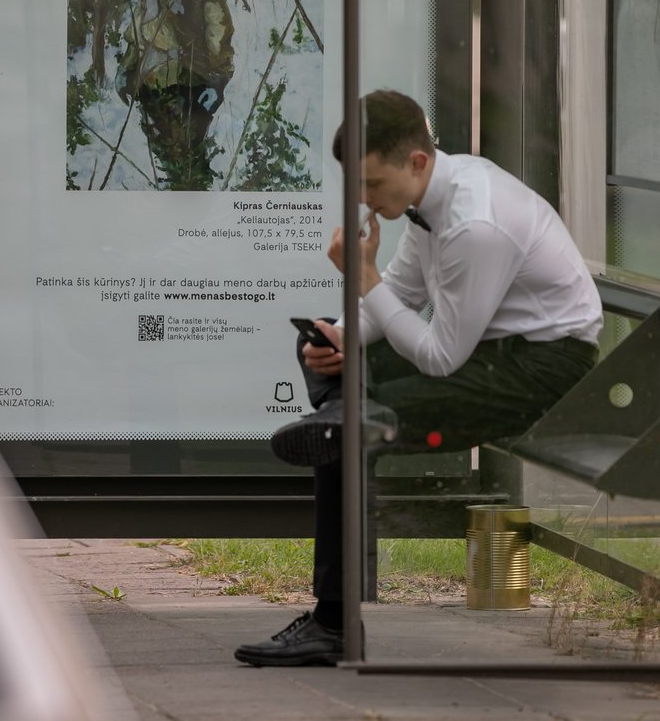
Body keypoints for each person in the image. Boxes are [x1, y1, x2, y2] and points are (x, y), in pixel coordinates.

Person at [233, 89, 603, 667]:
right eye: (356, 185)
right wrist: (338, 335)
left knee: (348, 430)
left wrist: (365, 280)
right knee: (325, 350)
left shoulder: (473, 224)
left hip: (545, 369)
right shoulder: (430, 203)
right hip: (490, 353)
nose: (364, 199)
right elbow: (403, 296)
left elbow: (439, 357)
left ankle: (331, 614)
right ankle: (342, 417)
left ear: (417, 162)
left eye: (372, 184)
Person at [116, 0, 235, 190]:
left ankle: (195, 200)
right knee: (163, 152)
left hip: (192, 86)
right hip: (152, 87)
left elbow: (220, 39)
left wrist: (218, 82)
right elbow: (136, 38)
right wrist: (125, 70)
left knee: (189, 155)